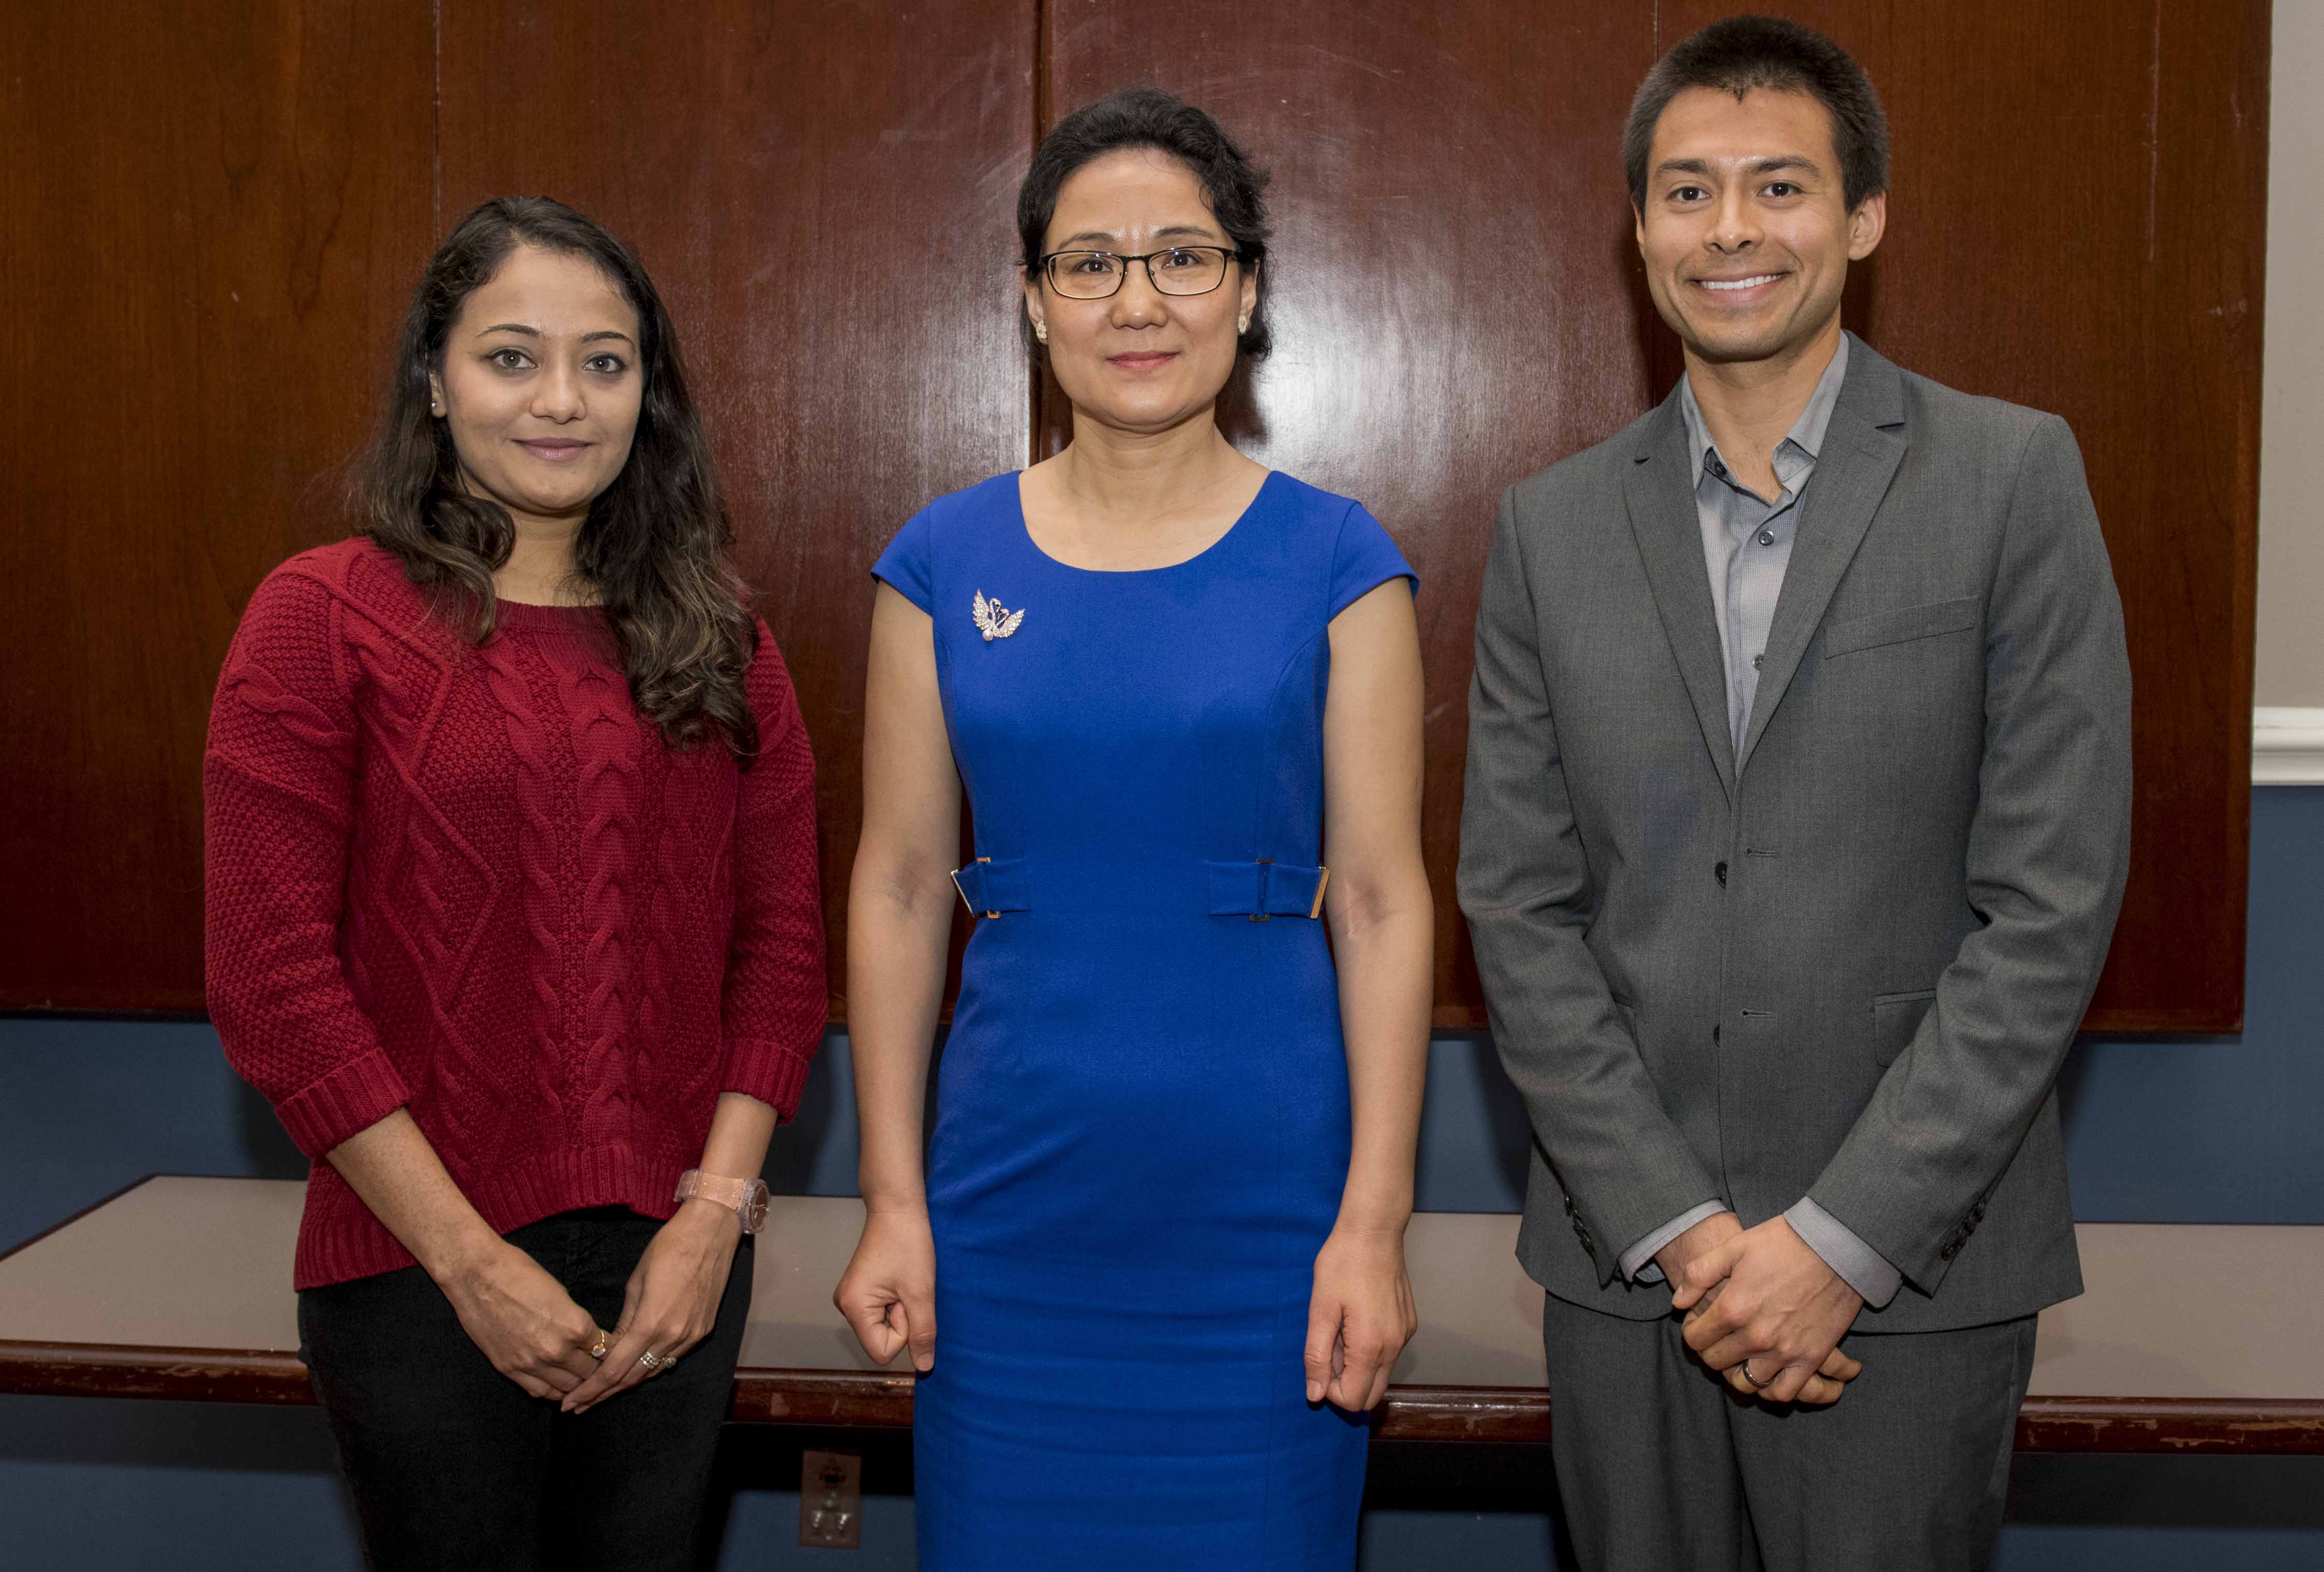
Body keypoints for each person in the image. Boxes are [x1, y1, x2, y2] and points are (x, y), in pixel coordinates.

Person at [1457, 17, 2132, 1570]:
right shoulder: (1551, 528)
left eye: (1778, 187)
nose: (1732, 230)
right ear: (1638, 232)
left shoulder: (2011, 478)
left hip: (1913, 1267)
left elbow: (2048, 904)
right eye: (1687, 193)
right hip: (1630, 1270)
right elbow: (1518, 902)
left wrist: (1835, 1243)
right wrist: (1688, 1236)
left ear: (1862, 217)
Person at [833, 88, 1431, 1567]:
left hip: (1266, 1220)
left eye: (1182, 255)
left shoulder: (1342, 559)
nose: (1136, 299)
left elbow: (1378, 900)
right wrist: (889, 1202)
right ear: (1034, 303)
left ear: (1247, 290)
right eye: (1088, 261)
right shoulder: (936, 559)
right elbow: (902, 888)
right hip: (1006, 1214)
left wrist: (1373, 1225)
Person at [204, 196, 827, 1571]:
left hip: (678, 1268)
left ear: (646, 395)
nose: (562, 399)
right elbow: (274, 983)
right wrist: (472, 1264)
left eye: (604, 361)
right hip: (417, 1271)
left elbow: (780, 954)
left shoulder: (724, 641)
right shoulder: (320, 618)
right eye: (511, 356)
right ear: (433, 378)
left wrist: (711, 1223)